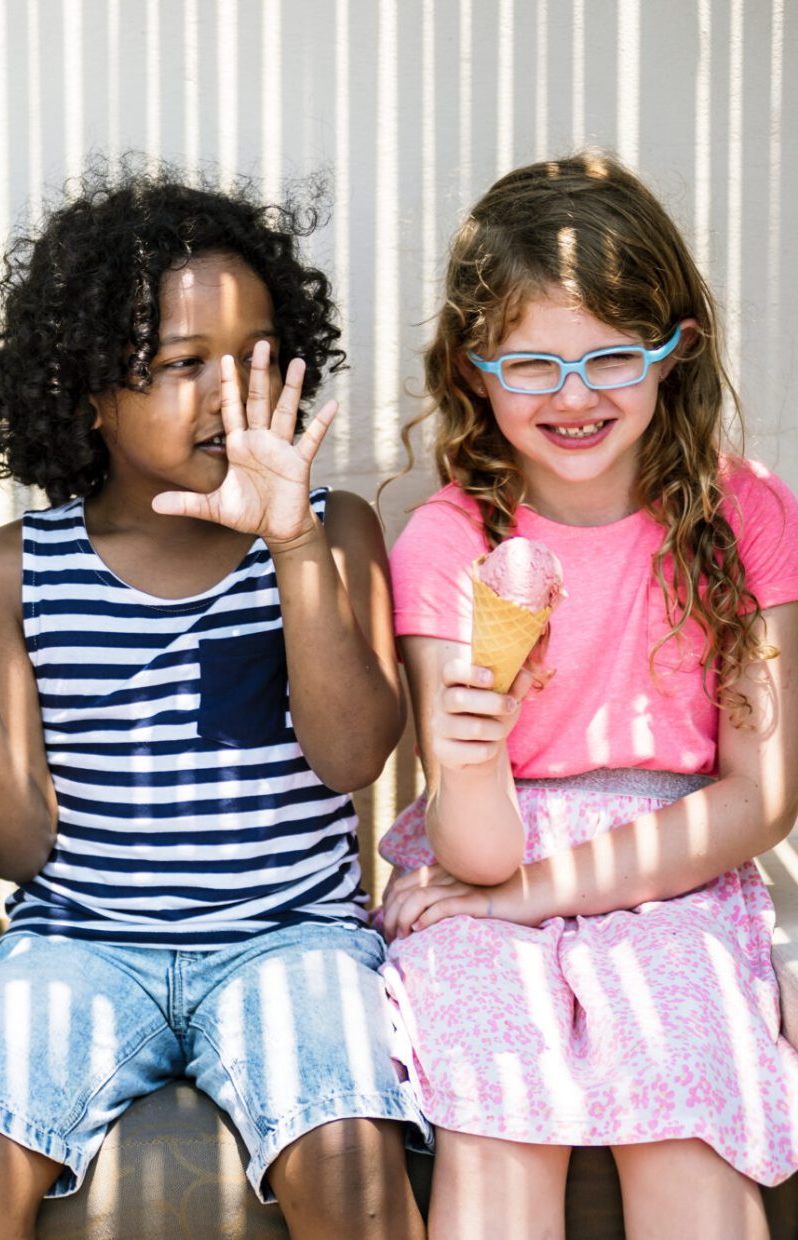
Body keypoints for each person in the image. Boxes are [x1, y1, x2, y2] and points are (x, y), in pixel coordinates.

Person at [0, 164, 429, 1239]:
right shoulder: (11, 569)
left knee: (350, 1150)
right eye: (181, 364)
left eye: (253, 359)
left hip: (293, 940)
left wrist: (295, 545)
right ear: (86, 387)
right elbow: (12, 843)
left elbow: (353, 753)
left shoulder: (333, 531)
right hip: (76, 942)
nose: (227, 392)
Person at [377, 151, 798, 1239]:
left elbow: (758, 800)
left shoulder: (744, 518)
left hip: (678, 870)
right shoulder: (448, 545)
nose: (571, 398)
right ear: (473, 370)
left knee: (687, 1134)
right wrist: (472, 752)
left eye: (610, 357)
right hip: (490, 865)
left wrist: (528, 896)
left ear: (676, 350)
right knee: (495, 1139)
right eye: (528, 366)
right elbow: (473, 854)